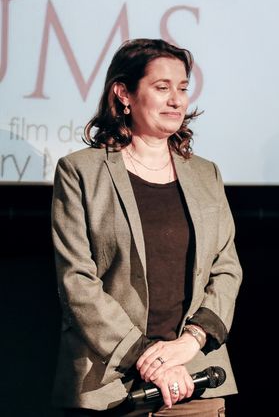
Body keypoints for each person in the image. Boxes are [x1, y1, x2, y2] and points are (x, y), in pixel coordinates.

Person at [51, 38, 242, 416]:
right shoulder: (81, 172)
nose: (177, 100)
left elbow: (227, 268)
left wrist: (190, 343)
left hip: (194, 381)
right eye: (162, 87)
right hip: (109, 387)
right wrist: (148, 358)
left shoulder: (206, 174)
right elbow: (76, 280)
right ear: (124, 94)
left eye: (183, 88)